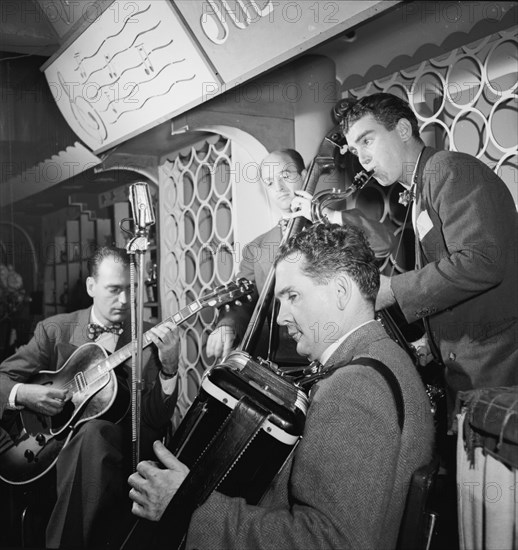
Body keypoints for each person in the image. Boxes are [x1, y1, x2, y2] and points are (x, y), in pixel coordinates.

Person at [127, 223, 434, 549]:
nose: (280, 317)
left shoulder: (352, 389)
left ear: (341, 291)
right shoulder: (386, 358)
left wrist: (187, 505)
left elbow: (329, 542)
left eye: (293, 297)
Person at [340, 92, 518, 418]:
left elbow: (482, 261)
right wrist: (429, 343)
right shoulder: (422, 187)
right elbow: (451, 281)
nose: (362, 158)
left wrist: (393, 290)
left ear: (404, 130)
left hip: (499, 371)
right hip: (472, 371)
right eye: (354, 149)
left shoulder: (448, 169)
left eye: (367, 140)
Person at [0, 246, 180, 549]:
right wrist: (25, 394)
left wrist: (170, 369)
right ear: (91, 286)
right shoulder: (54, 330)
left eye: (130, 290)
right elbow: (3, 378)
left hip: (120, 455)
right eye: (113, 290)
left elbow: (155, 420)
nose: (124, 301)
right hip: (46, 451)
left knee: (93, 432)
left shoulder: (149, 338)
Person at [206, 148, 395, 365]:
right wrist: (227, 325)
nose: (278, 187)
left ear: (305, 176)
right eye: (269, 182)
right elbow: (244, 299)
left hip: (343, 357)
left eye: (285, 176)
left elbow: (383, 243)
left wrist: (323, 215)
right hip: (282, 363)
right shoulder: (255, 248)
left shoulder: (334, 224)